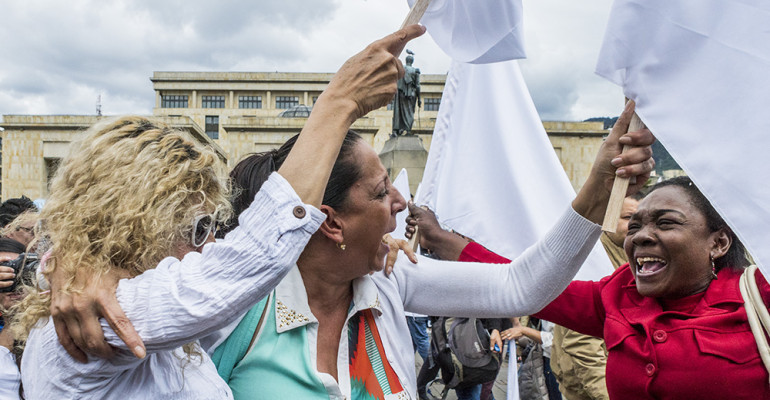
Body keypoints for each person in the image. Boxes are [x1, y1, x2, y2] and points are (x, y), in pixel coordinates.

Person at [47, 93, 654, 398]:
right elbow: (153, 278)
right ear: (328, 221)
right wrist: (71, 264)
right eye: (382, 189)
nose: (401, 204)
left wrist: (600, 182)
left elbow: (522, 286)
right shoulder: (231, 305)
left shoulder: (390, 281)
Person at [14, 25, 427, 399]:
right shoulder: (92, 322)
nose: (213, 243)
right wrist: (340, 102)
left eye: (213, 226)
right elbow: (248, 259)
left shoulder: (112, 302)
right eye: (198, 229)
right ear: (135, 229)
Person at [455, 176, 768, 399]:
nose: (641, 236)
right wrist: (446, 241)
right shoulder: (616, 294)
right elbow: (521, 283)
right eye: (634, 226)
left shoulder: (758, 296)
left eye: (666, 223)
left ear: (719, 242)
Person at [548, 194, 641, 400]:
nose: (636, 226)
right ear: (608, 219)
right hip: (591, 388)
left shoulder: (629, 255)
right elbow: (582, 345)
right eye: (628, 218)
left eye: (641, 220)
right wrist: (607, 395)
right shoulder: (593, 260)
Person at [391, 51, 421, 136]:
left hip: (401, 93)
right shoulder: (415, 71)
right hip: (411, 94)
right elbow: (418, 86)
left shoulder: (401, 69)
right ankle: (408, 130)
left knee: (400, 111)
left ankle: (399, 129)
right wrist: (419, 99)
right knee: (410, 112)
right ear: (412, 62)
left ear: (406, 60)